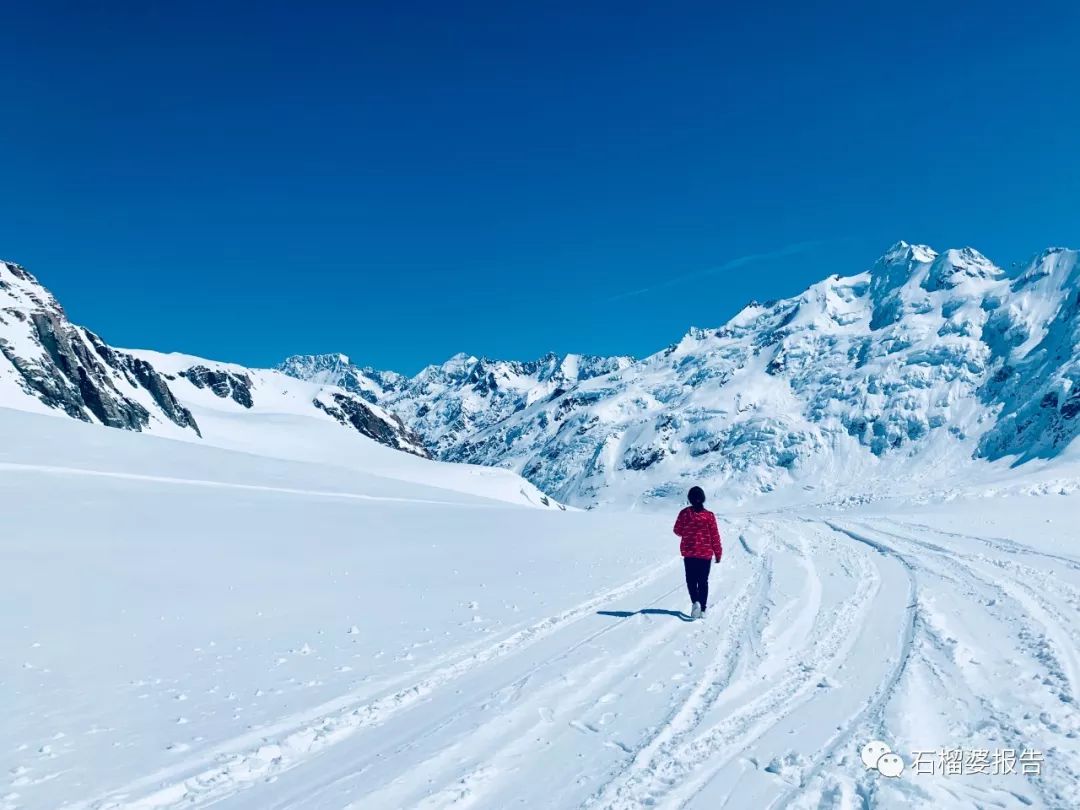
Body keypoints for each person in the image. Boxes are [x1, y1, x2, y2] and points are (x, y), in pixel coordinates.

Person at [672, 486, 722, 620]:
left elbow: (677, 530)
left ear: (690, 499)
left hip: (689, 553)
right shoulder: (709, 516)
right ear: (703, 498)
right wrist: (718, 553)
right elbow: (714, 536)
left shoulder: (684, 513)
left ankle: (695, 602)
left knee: (691, 580)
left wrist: (687, 532)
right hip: (705, 554)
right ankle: (703, 609)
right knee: (703, 581)